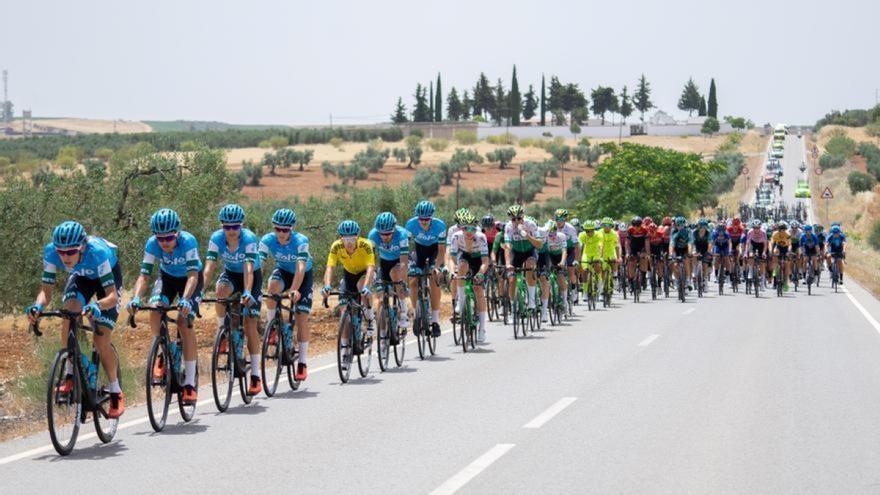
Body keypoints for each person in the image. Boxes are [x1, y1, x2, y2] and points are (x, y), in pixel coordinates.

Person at [27, 221, 125, 418]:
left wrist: (97, 305)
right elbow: (45, 294)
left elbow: (112, 296)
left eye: (70, 252)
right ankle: (71, 373)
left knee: (101, 339)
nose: (65, 257)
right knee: (68, 314)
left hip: (106, 282)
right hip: (81, 278)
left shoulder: (97, 253)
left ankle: (115, 390)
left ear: (82, 247)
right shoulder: (50, 252)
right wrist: (37, 306)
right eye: (61, 252)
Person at [128, 209, 202, 404]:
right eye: (160, 238)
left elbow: (193, 275)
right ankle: (162, 349)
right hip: (167, 278)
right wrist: (136, 298)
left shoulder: (188, 241)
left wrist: (185, 299)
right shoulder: (152, 244)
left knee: (183, 321)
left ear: (177, 233)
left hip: (190, 280)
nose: (165, 242)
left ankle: (190, 382)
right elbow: (144, 275)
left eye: (169, 237)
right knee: (155, 309)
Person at [203, 204, 264, 396]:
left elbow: (248, 268)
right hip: (230, 274)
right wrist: (199, 291)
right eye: (226, 227)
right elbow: (209, 267)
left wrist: (247, 292)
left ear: (241, 225)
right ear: (222, 226)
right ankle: (223, 329)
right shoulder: (216, 238)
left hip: (251, 276)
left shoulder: (249, 238)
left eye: (235, 227)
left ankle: (255, 375)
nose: (230, 231)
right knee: (220, 291)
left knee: (250, 324)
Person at [259, 208, 313, 381]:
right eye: (278, 229)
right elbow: (260, 265)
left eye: (285, 230)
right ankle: (273, 325)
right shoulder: (267, 240)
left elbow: (301, 267)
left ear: (292, 228)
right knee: (272, 287)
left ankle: (302, 363)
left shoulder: (301, 240)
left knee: (301, 315)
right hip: (283, 271)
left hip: (302, 277)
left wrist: (294, 289)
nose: (281, 233)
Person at [322, 220, 376, 354]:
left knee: (361, 287)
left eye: (352, 238)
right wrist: (327, 285)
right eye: (345, 239)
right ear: (341, 238)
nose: (349, 242)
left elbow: (370, 267)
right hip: (349, 275)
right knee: (344, 310)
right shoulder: (336, 246)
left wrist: (367, 287)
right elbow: (330, 267)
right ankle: (345, 348)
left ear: (357, 236)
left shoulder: (366, 245)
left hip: (365, 273)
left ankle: (370, 319)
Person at [405, 201, 446, 337]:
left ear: (431, 217)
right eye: (421, 219)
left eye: (426, 219)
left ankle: (435, 321)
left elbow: (441, 251)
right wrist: (409, 264)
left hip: (435, 252)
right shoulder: (411, 224)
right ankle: (417, 314)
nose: (423, 222)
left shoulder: (440, 226)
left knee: (434, 279)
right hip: (419, 252)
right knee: (413, 280)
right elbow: (406, 248)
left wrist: (436, 267)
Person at [448, 212, 491, 342]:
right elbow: (451, 258)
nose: (468, 231)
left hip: (479, 260)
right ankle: (461, 303)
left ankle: (482, 328)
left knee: (478, 290)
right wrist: (452, 271)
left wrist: (480, 274)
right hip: (465, 257)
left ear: (475, 228)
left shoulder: (481, 237)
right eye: (465, 228)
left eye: (472, 228)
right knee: (460, 269)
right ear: (461, 228)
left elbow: (485, 262)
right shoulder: (456, 237)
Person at [367, 212, 410, 337]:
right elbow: (371, 259)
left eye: (388, 233)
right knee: (380, 298)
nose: (385, 236)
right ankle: (382, 335)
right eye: (382, 233)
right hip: (384, 262)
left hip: (399, 261)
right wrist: (373, 275)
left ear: (394, 229)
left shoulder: (401, 235)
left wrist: (402, 281)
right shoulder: (373, 235)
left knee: (396, 275)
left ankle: (404, 312)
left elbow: (404, 262)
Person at [503, 205, 543, 311]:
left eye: (519, 218)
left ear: (523, 217)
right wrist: (508, 263)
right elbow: (507, 247)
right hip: (516, 252)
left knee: (530, 268)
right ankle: (513, 307)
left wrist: (528, 236)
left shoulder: (530, 224)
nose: (516, 221)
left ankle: (531, 301)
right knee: (512, 279)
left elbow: (539, 245)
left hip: (530, 251)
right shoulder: (508, 227)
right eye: (513, 219)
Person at [553, 209, 581, 299]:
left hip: (569, 250)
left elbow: (576, 245)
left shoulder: (570, 229)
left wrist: (576, 260)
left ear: (565, 220)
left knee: (570, 270)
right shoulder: (552, 227)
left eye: (561, 219)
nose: (558, 222)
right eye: (557, 219)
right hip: (558, 250)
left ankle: (574, 290)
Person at [599, 217, 622, 291]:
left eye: (609, 225)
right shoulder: (599, 233)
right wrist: (600, 257)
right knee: (603, 270)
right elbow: (601, 246)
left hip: (611, 252)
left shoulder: (614, 233)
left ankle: (615, 278)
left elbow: (617, 246)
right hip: (602, 252)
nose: (606, 227)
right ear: (602, 225)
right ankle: (602, 288)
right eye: (605, 225)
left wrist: (618, 258)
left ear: (611, 226)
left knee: (614, 261)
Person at [770, 221, 792, 291]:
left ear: (785, 230)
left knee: (787, 265)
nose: (782, 232)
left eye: (783, 230)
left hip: (786, 248)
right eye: (780, 230)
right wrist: (771, 251)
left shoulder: (787, 234)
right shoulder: (775, 234)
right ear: (778, 230)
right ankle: (775, 280)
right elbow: (772, 243)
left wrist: (788, 252)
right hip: (778, 247)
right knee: (775, 261)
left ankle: (786, 283)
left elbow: (790, 245)